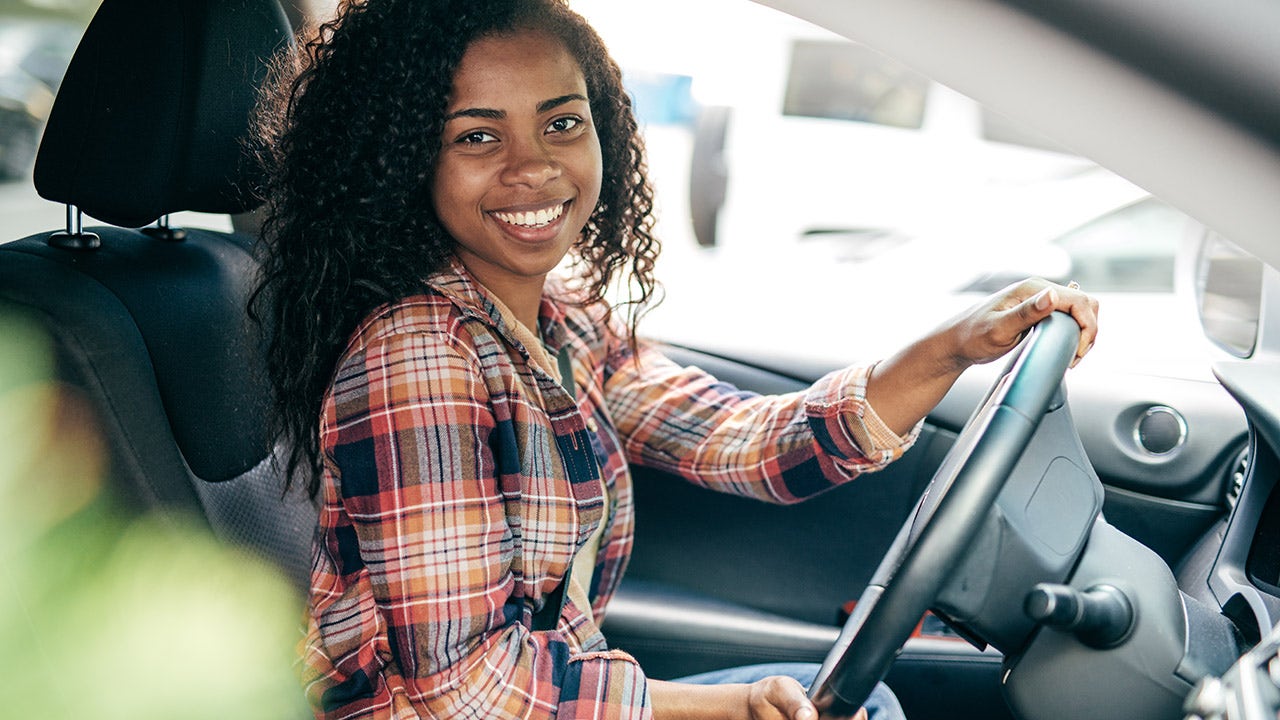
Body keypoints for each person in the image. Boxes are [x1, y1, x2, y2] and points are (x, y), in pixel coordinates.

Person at [249, 0, 1099, 718]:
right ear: (408, 163)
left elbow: (745, 440)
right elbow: (464, 691)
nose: (534, 166)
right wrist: (711, 709)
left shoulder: (558, 324)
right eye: (477, 137)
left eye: (560, 122)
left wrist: (952, 347)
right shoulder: (419, 356)